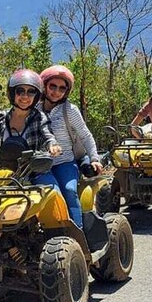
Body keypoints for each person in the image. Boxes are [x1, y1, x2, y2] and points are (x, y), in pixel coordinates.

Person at [38, 65, 102, 228]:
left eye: (61, 88)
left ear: (66, 91)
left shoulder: (70, 110)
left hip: (64, 162)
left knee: (68, 190)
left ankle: (77, 234)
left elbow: (85, 136)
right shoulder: (33, 110)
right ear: (44, 86)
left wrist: (94, 158)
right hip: (38, 166)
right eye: (52, 86)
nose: (56, 91)